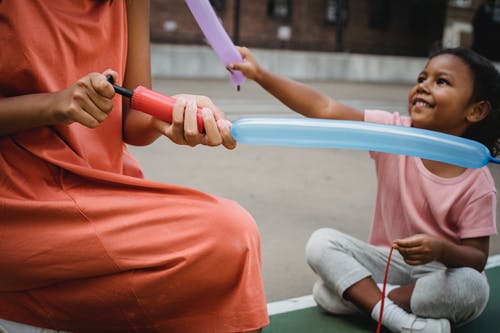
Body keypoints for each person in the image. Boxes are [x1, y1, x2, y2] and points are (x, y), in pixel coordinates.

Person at [0, 1, 268, 333]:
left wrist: (173, 114)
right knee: (225, 235)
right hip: (19, 199)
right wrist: (54, 105)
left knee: (232, 241)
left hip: (105, 191)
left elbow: (131, 117)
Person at [230, 46, 500, 332]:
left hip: (441, 272)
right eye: (422, 78)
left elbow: (476, 257)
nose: (423, 87)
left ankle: (367, 300)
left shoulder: (477, 182)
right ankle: (401, 321)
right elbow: (325, 108)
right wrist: (260, 74)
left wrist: (440, 249)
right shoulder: (392, 133)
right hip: (386, 262)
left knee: (471, 288)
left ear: (476, 110)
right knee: (322, 243)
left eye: (441, 81)